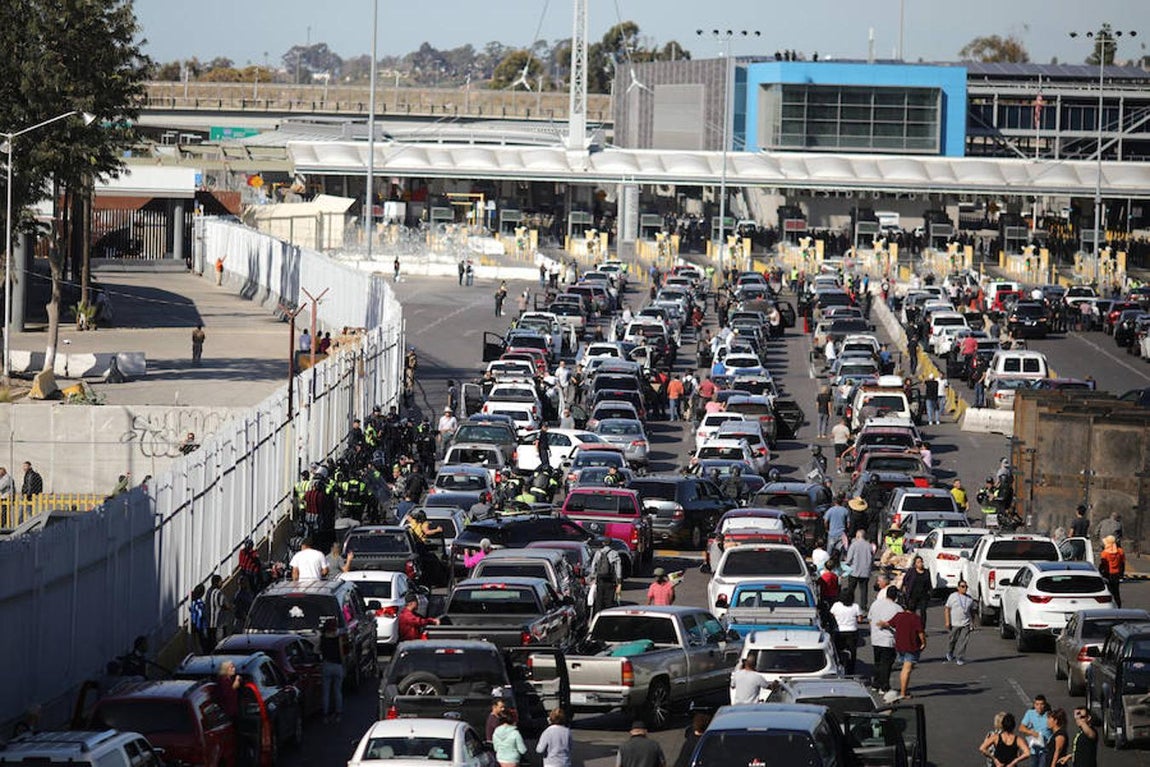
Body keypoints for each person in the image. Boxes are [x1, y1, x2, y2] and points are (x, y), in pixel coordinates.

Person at [880, 600, 925, 701]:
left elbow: (889, 623)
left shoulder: (899, 615)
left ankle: (903, 690)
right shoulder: (916, 618)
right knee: (906, 669)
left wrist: (880, 623)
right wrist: (923, 643)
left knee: (905, 667)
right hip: (911, 646)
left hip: (900, 646)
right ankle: (903, 692)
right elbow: (920, 632)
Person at [869, 585, 900, 695]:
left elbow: (870, 618)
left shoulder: (875, 604)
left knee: (877, 662)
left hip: (875, 637)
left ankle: (875, 683)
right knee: (886, 664)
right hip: (888, 639)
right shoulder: (897, 608)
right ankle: (884, 686)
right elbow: (898, 625)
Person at [830, 591, 863, 674]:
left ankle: (839, 666)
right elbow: (860, 619)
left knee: (837, 651)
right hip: (852, 631)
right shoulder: (855, 606)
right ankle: (851, 670)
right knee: (852, 651)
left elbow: (832, 615)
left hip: (839, 631)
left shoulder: (836, 605)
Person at [319, 618, 344, 723]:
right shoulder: (338, 638)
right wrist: (343, 665)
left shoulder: (323, 638)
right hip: (337, 665)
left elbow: (320, 650)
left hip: (327, 664)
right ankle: (338, 714)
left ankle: (325, 715)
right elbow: (341, 652)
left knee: (326, 692)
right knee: (337, 691)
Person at [842, 525, 874, 609]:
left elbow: (849, 559)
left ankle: (849, 604)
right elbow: (872, 559)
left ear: (858, 536)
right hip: (865, 572)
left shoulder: (854, 545)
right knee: (864, 591)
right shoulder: (869, 546)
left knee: (851, 590)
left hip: (854, 571)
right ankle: (863, 607)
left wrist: (845, 563)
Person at [944, 580, 975, 665]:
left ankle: (960, 657)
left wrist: (972, 623)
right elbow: (947, 609)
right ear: (958, 588)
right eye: (962, 586)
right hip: (955, 623)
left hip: (966, 623)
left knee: (964, 641)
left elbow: (972, 612)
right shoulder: (953, 596)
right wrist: (947, 621)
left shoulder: (969, 599)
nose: (964, 588)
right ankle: (950, 652)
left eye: (966, 586)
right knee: (952, 640)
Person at [590, 540, 622, 614]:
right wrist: (619, 580)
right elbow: (618, 568)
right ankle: (608, 615)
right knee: (609, 600)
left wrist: (593, 576)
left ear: (603, 543)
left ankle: (598, 615)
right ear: (611, 544)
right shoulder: (614, 553)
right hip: (610, 580)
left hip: (600, 579)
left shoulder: (598, 553)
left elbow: (593, 565)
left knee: (599, 599)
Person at [1019, 695, 1052, 767]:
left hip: (1045, 750)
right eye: (1037, 704)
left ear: (1045, 705)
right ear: (1034, 705)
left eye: (1041, 704)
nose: (1039, 707)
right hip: (1034, 749)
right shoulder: (1030, 713)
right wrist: (1031, 732)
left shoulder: (1049, 715)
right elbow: (1021, 728)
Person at [901, 555, 931, 629]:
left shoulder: (926, 572)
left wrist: (930, 592)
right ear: (915, 564)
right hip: (913, 594)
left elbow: (929, 583)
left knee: (923, 612)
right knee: (912, 611)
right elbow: (905, 580)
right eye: (918, 562)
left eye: (921, 562)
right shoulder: (911, 571)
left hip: (923, 595)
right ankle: (912, 626)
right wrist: (905, 588)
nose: (920, 563)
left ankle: (922, 628)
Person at [1098, 535, 1125, 608]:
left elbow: (1102, 565)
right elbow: (1122, 564)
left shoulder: (1104, 553)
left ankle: (1109, 607)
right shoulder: (1120, 551)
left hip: (1107, 574)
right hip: (1116, 574)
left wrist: (1099, 572)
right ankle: (1118, 606)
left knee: (1108, 592)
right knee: (1116, 592)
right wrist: (1121, 574)